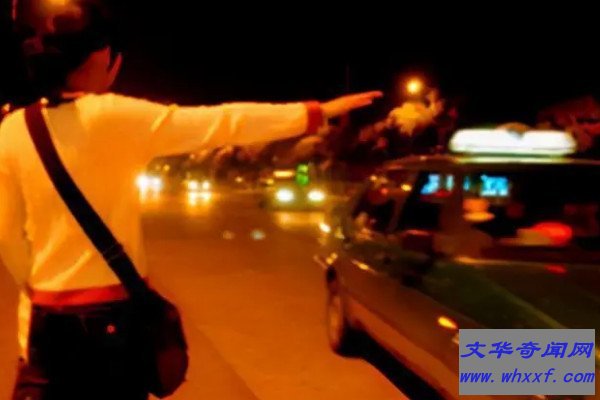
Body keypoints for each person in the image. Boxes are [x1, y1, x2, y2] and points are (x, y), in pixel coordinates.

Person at [0, 1, 383, 399]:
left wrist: (43, 285)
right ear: (99, 56)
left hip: (46, 323)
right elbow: (223, 122)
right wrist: (315, 113)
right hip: (114, 325)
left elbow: (7, 237)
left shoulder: (13, 129)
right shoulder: (115, 118)